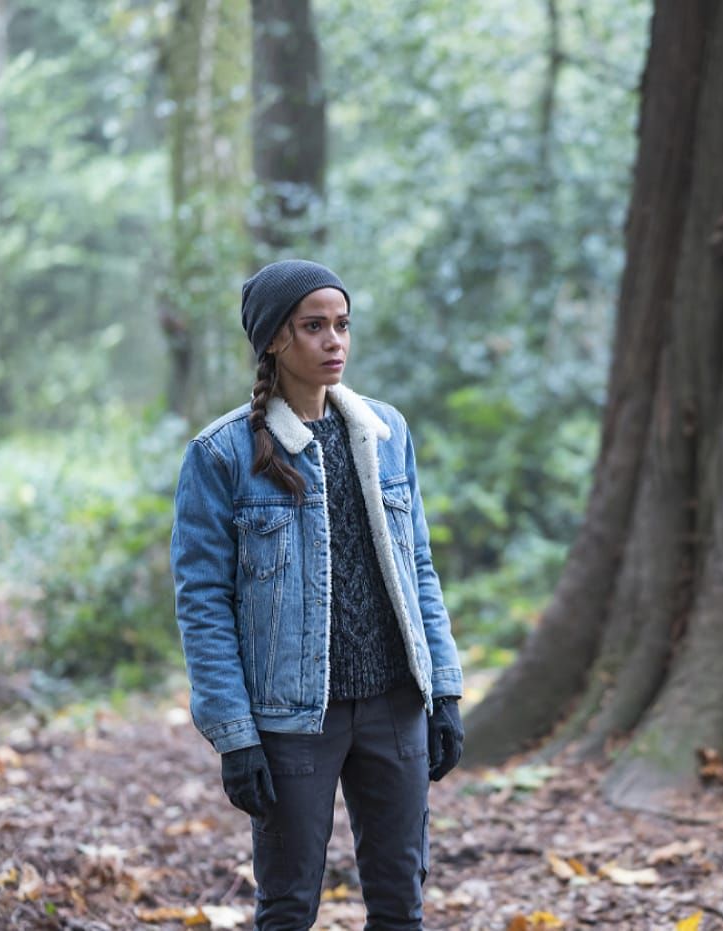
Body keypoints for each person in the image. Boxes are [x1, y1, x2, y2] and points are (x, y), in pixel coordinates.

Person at [170, 260, 465, 930]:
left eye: (342, 324)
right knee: (288, 906)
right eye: (314, 326)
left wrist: (444, 690)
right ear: (275, 338)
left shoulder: (386, 432)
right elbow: (203, 603)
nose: (335, 340)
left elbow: (419, 566)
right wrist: (234, 735)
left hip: (395, 703)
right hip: (292, 719)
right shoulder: (221, 454)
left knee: (401, 904)